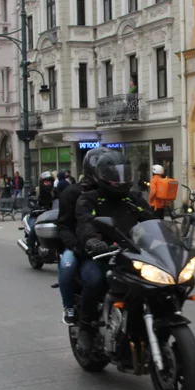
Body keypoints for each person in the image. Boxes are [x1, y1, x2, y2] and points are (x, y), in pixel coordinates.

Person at [74, 150, 152, 353]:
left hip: (132, 254)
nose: (120, 180)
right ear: (102, 176)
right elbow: (85, 222)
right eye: (115, 175)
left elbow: (152, 220)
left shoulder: (133, 199)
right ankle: (86, 327)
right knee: (94, 280)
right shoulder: (90, 199)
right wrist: (92, 240)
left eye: (124, 174)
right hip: (101, 255)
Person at [56, 148, 105, 325]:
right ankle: (68, 306)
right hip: (78, 245)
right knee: (67, 267)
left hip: (105, 245)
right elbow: (63, 224)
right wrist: (76, 246)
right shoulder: (72, 192)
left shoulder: (110, 192)